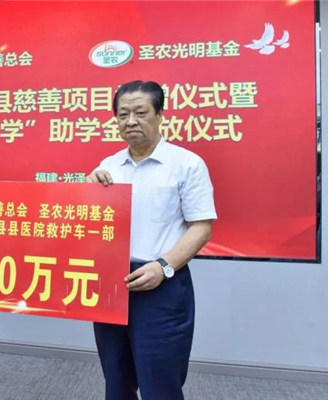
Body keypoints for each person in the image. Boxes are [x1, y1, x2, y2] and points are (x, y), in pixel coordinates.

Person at [87, 81, 217, 400]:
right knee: (116, 379)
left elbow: (201, 227)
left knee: (160, 382)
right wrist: (87, 193)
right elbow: (91, 227)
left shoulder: (186, 164)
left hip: (162, 284)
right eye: (123, 114)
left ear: (160, 115)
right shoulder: (108, 167)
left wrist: (163, 267)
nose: (131, 121)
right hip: (111, 285)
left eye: (140, 112)